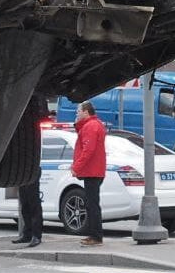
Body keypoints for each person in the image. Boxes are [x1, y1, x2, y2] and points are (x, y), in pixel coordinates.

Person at [71, 100, 107, 247]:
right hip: (95, 170)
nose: (77, 114)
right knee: (91, 203)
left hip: (92, 171)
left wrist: (76, 167)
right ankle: (95, 235)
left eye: (78, 112)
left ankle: (96, 236)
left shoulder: (90, 126)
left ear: (86, 112)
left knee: (92, 204)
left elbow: (88, 149)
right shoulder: (94, 124)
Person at [12, 180, 43, 247]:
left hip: (32, 174)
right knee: (24, 207)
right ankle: (27, 235)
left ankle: (36, 236)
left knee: (34, 206)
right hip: (22, 176)